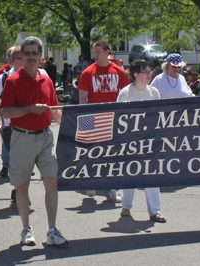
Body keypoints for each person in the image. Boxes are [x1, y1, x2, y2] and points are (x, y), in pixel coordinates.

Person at [1, 36, 68, 246]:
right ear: (22, 56)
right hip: (22, 137)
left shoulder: (47, 80)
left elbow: (56, 110)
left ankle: (52, 231)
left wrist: (71, 130)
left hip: (45, 137)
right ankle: (26, 229)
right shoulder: (12, 81)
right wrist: (30, 109)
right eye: (26, 54)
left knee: (52, 182)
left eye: (34, 53)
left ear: (41, 55)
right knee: (22, 186)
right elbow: (5, 111)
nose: (31, 57)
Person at [0, 46, 49, 201]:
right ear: (17, 60)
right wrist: (4, 111)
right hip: (12, 127)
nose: (28, 60)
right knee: (21, 162)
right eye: (23, 57)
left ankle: (19, 190)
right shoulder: (6, 77)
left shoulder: (41, 73)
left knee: (27, 163)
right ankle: (19, 190)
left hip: (39, 126)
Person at [77, 40, 131, 203]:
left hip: (115, 119)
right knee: (93, 153)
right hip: (94, 118)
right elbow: (82, 98)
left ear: (107, 52)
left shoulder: (119, 72)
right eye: (94, 52)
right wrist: (85, 122)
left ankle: (112, 189)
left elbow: (127, 95)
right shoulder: (87, 72)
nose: (95, 55)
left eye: (98, 52)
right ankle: (91, 182)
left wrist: (125, 117)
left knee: (113, 154)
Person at [116, 60, 166, 223]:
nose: (149, 75)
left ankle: (154, 211)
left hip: (150, 140)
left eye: (150, 71)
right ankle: (126, 206)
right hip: (131, 141)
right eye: (145, 72)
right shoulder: (126, 93)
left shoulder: (154, 92)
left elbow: (159, 117)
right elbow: (120, 119)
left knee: (152, 176)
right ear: (136, 74)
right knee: (130, 174)